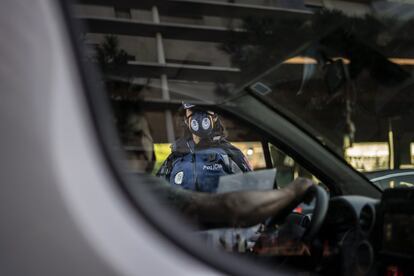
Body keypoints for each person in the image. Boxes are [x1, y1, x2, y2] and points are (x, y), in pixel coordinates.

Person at [117, 105, 314, 229]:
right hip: (185, 242)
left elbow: (256, 190)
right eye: (193, 112)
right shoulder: (173, 159)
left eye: (205, 112)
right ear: (186, 117)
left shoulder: (231, 154)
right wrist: (292, 192)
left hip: (227, 238)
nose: (199, 119)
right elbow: (232, 207)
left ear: (215, 117)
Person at [157, 103, 252, 193]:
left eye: (204, 108)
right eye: (193, 110)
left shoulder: (230, 154)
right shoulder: (175, 156)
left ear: (214, 116)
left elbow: (251, 190)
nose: (199, 115)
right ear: (186, 119)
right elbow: (158, 193)